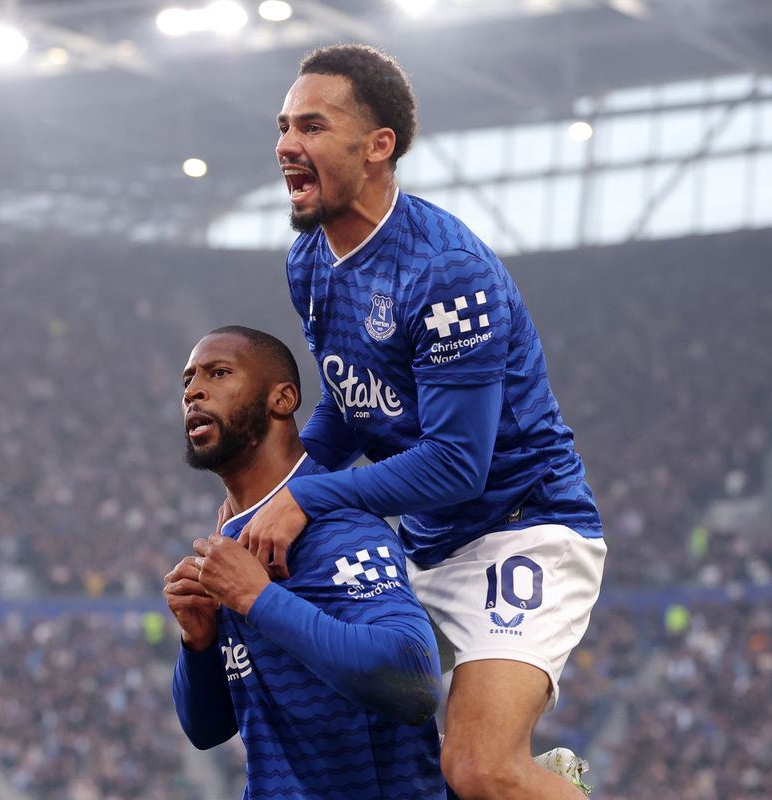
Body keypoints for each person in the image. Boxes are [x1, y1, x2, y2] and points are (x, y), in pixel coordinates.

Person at [237, 45, 606, 799]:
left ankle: (542, 785)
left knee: (478, 768)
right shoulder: (309, 260)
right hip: (424, 542)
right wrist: (266, 496)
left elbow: (455, 466)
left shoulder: (445, 272)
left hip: (520, 527)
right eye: (283, 126)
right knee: (326, 683)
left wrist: (303, 499)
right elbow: (350, 404)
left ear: (378, 147)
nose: (285, 144)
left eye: (311, 125)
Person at [165, 326, 447, 800]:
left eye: (218, 373)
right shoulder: (235, 540)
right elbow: (207, 729)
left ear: (284, 398)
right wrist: (199, 642)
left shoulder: (338, 526)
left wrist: (257, 598)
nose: (193, 391)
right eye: (188, 381)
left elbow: (413, 680)